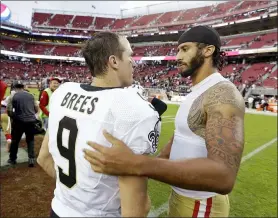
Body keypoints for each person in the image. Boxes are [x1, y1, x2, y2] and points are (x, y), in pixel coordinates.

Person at [83, 26, 246, 217]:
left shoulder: (223, 94)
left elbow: (224, 176)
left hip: (202, 204)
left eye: (185, 49)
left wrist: (137, 164)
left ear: (208, 50)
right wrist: (150, 165)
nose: (177, 57)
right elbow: (181, 136)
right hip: (183, 196)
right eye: (177, 50)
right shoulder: (199, 91)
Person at [37, 32, 166, 217]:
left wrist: (79, 194)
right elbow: (137, 209)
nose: (133, 62)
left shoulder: (62, 92)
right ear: (114, 61)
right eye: (129, 55)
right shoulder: (132, 109)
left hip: (58, 209)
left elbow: (43, 158)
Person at [7, 81, 39, 167]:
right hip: (31, 121)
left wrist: (14, 117)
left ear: (14, 87)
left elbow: (9, 110)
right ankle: (31, 159)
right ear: (23, 87)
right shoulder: (31, 95)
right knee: (30, 140)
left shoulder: (12, 96)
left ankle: (13, 159)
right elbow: (36, 108)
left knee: (15, 141)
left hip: (18, 122)